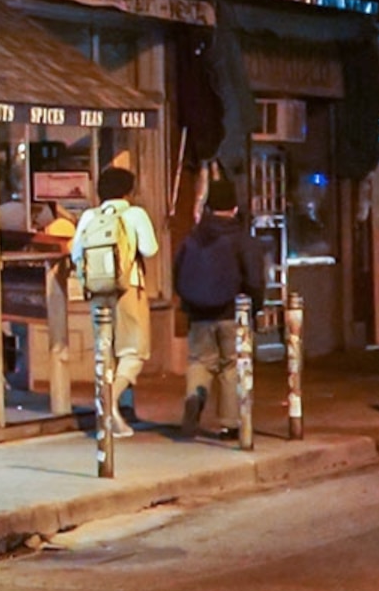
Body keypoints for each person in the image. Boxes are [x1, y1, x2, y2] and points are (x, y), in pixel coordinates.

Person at [70, 166, 158, 436]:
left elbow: (75, 254)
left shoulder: (89, 216)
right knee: (134, 351)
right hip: (128, 287)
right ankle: (109, 403)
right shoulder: (134, 214)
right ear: (128, 191)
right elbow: (150, 249)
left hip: (97, 290)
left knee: (104, 351)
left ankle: (112, 417)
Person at [173, 178, 259, 440]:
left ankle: (193, 403)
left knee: (200, 362)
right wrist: (255, 306)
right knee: (231, 365)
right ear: (234, 207)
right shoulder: (240, 237)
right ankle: (229, 423)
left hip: (198, 314)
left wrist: (188, 303)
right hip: (232, 312)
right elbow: (255, 277)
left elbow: (177, 272)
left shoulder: (193, 236)